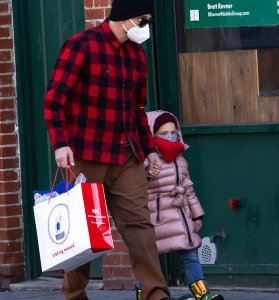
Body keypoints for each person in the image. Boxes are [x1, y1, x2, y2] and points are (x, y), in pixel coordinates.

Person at [43, 1, 176, 299]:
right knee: (83, 234)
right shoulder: (81, 46)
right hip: (86, 155)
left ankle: (156, 293)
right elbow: (54, 99)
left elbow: (137, 109)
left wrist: (150, 150)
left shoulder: (137, 55)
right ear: (126, 16)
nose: (146, 27)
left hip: (126, 156)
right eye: (143, 20)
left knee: (140, 227)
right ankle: (75, 295)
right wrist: (60, 143)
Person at [145, 111, 224, 300]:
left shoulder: (180, 159)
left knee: (190, 256)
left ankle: (203, 295)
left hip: (180, 216)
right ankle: (146, 295)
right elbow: (136, 185)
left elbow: (188, 189)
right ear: (152, 135)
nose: (170, 136)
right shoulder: (146, 159)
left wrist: (196, 215)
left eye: (173, 132)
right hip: (155, 218)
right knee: (148, 261)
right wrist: (148, 173)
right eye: (164, 133)